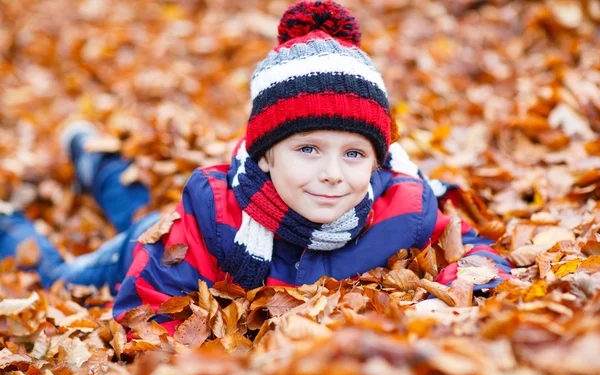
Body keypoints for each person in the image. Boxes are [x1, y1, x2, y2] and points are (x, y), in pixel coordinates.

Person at [0, 1, 514, 334]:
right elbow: (147, 312)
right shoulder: (211, 218)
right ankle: (17, 219)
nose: (334, 173)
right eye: (308, 149)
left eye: (354, 153)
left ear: (378, 159)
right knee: (65, 276)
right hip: (151, 250)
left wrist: (461, 296)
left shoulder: (403, 208)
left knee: (143, 205)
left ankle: (100, 161)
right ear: (266, 154)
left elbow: (476, 252)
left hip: (179, 235)